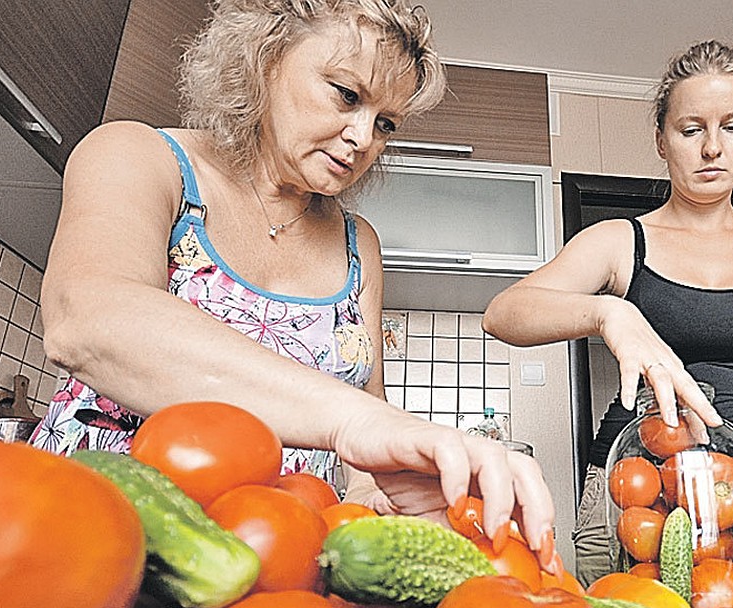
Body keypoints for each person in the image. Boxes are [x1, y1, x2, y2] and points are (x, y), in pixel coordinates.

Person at [29, 0, 555, 568]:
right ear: (265, 56)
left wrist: (401, 504)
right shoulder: (140, 156)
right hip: (93, 537)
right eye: (347, 95)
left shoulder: (360, 245)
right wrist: (355, 420)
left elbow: (361, 453)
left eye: (385, 124)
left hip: (280, 560)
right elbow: (86, 320)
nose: (362, 138)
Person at [482, 39, 733, 584]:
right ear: (661, 140)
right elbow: (504, 314)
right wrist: (608, 314)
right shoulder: (618, 240)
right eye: (691, 129)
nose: (712, 148)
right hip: (637, 489)